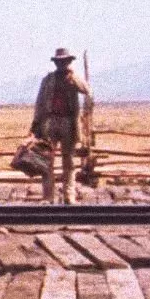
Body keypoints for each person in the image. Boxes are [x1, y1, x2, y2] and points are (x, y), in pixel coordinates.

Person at [27, 48, 90, 203]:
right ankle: (48, 197)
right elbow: (40, 102)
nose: (62, 64)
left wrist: (73, 76)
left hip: (69, 123)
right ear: (55, 63)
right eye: (59, 61)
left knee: (69, 162)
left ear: (69, 62)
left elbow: (86, 89)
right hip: (50, 123)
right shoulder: (48, 80)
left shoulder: (73, 79)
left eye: (65, 61)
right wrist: (35, 125)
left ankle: (69, 196)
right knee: (47, 161)